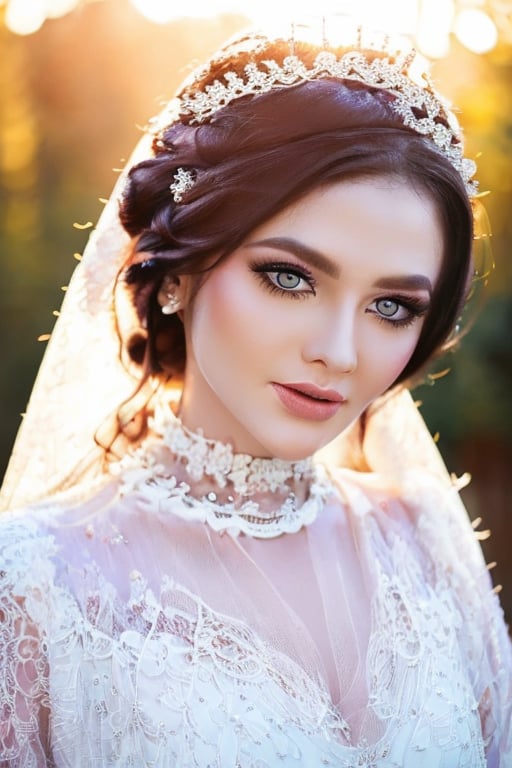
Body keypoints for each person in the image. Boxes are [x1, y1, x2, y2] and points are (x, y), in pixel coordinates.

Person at [0, 19, 510, 767]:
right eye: (288, 277)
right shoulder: (34, 591)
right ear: (177, 270)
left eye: (391, 306)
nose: (337, 352)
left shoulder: (427, 544)